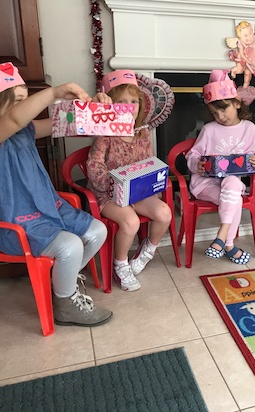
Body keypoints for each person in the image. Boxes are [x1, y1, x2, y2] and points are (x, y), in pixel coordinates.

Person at [0, 63, 112, 327]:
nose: (25, 107)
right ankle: (65, 303)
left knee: (97, 231)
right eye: (18, 101)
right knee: (70, 245)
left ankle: (63, 281)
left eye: (26, 100)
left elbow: (69, 124)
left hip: (47, 207)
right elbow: (13, 120)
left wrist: (97, 109)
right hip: (13, 223)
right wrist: (54, 92)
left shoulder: (25, 129)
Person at [86, 70, 172, 292]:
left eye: (133, 102)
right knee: (131, 221)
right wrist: (113, 187)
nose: (129, 107)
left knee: (164, 213)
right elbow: (94, 166)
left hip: (136, 191)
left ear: (140, 106)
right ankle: (120, 264)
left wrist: (150, 184)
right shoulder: (105, 134)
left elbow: (147, 164)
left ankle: (147, 251)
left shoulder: (142, 134)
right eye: (121, 102)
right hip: (108, 194)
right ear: (111, 106)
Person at [185, 70, 255, 264]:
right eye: (214, 112)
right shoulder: (209, 129)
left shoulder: (249, 128)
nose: (220, 116)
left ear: (237, 103)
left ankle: (222, 238)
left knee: (233, 184)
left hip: (231, 184)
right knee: (235, 198)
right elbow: (192, 155)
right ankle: (228, 244)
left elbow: (248, 161)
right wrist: (197, 164)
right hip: (205, 184)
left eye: (224, 109)